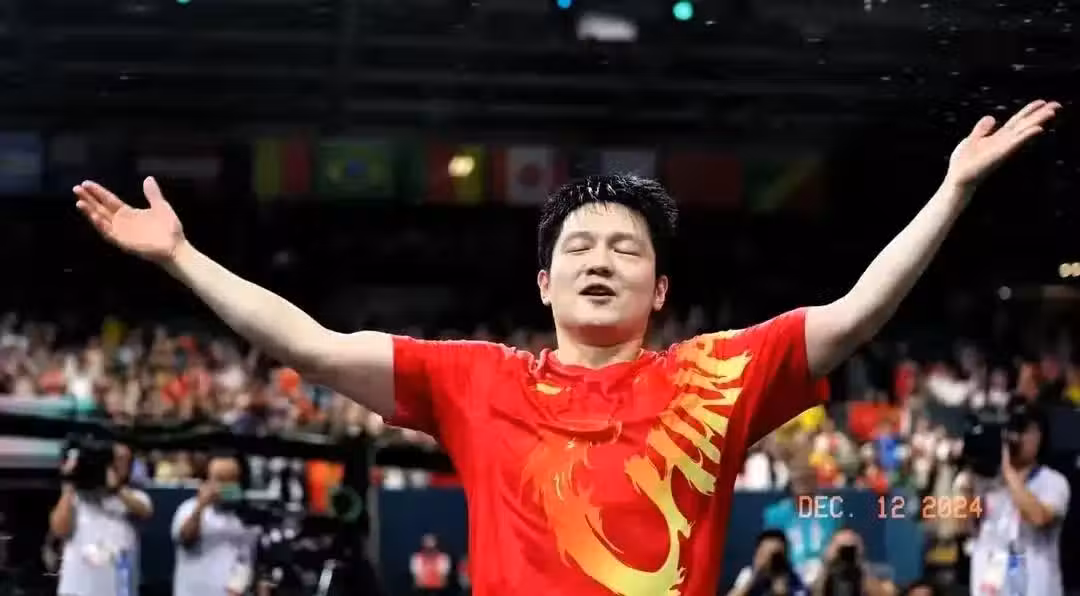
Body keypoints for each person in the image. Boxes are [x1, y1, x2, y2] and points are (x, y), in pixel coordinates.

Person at [72, 100, 1059, 596]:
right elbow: (313, 346)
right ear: (543, 283)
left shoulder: (716, 373)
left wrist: (953, 189)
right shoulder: (475, 378)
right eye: (578, 247)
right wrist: (182, 257)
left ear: (660, 290)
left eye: (626, 248)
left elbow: (856, 315)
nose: (599, 259)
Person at [969, 401, 1069, 596]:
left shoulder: (1053, 481)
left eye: (1022, 430)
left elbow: (1038, 517)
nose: (1013, 437)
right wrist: (968, 476)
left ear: (1039, 436)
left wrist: (1008, 471)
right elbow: (966, 527)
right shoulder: (987, 483)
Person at [49, 442, 154, 596]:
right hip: (77, 590)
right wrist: (69, 483)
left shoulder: (135, 497)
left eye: (123, 460)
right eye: (114, 459)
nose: (116, 464)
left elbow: (145, 512)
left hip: (117, 590)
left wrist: (116, 488)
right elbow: (60, 529)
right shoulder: (76, 498)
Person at [171, 454, 258, 596]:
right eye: (220, 480)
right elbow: (186, 539)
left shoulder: (243, 518)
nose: (225, 487)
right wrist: (200, 507)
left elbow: (245, 561)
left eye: (231, 480)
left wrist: (237, 588)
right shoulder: (188, 508)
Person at [763, 465, 837, 585]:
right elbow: (770, 549)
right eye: (799, 478)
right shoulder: (775, 514)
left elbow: (836, 542)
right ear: (791, 482)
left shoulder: (831, 509)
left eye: (808, 478)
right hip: (788, 574)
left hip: (825, 573)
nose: (804, 483)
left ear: (815, 481)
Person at [811, 528, 892, 596]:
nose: (846, 552)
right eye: (842, 548)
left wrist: (863, 572)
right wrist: (829, 566)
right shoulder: (817, 573)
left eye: (851, 548)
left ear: (861, 548)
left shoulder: (878, 573)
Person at [728, 529, 808, 596]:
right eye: (765, 553)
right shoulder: (749, 573)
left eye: (776, 555)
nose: (772, 559)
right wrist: (755, 576)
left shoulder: (793, 577)